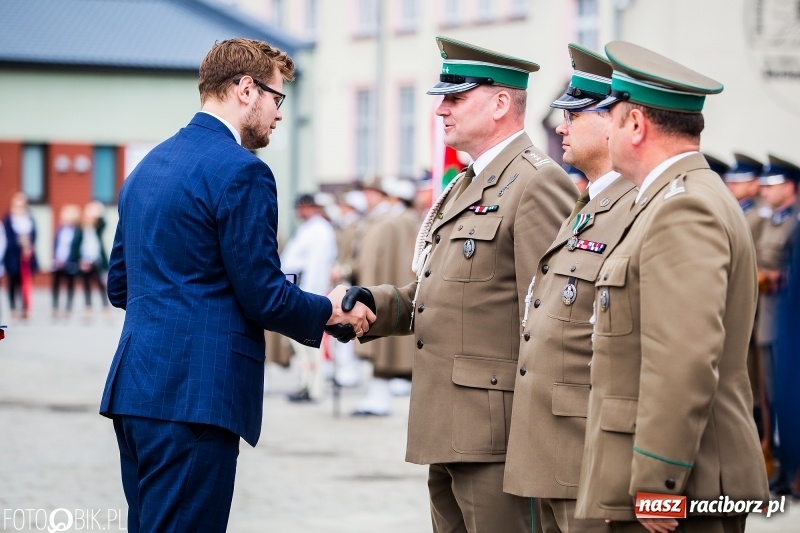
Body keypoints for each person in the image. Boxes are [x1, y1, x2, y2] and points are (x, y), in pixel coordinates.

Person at [99, 38, 373, 533]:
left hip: (135, 391)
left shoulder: (145, 169)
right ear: (246, 89)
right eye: (276, 98)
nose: (279, 114)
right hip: (196, 396)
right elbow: (263, 293)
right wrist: (330, 311)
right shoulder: (243, 171)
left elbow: (121, 285)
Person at [343, 36, 576, 532]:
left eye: (455, 97)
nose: (441, 111)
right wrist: (371, 304)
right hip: (447, 425)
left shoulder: (537, 183)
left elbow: (550, 318)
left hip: (499, 434)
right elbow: (437, 291)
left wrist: (544, 441)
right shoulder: (464, 185)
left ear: (499, 103)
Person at [574, 41, 769, 532]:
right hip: (679, 477)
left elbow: (683, 355)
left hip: (683, 487)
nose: (608, 130)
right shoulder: (670, 198)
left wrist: (659, 483)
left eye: (612, 118)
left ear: (636, 125)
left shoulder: (683, 207)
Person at [503, 43, 637, 533]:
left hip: (589, 449)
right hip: (553, 446)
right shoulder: (587, 206)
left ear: (613, 122)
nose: (560, 126)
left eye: (574, 114)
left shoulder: (635, 210)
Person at [352, 178, 419, 416]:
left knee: (387, 351)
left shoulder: (395, 222)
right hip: (383, 289)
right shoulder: (386, 221)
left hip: (392, 290)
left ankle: (381, 396)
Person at [753, 155, 799, 495]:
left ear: (791, 187)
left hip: (783, 319)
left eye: (772, 185)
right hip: (766, 320)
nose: (764, 191)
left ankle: (791, 467)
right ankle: (782, 464)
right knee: (772, 399)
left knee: (786, 396)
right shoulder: (773, 220)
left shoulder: (794, 222)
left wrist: (770, 277)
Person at [282, 192, 338, 403]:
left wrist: (308, 297)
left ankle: (314, 388)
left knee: (309, 343)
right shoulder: (309, 229)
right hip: (297, 287)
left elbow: (316, 267)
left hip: (307, 290)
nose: (299, 212)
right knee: (300, 346)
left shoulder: (320, 230)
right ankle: (305, 383)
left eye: (303, 207)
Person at [3, 191, 38, 320]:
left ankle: (25, 308)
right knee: (13, 281)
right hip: (13, 255)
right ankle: (13, 308)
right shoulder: (9, 218)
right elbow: (9, 236)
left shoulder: (29, 218)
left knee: (26, 282)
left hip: (27, 255)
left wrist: (29, 247)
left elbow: (34, 234)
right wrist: (20, 247)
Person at [79, 201, 110, 320]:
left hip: (97, 260)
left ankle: (106, 309)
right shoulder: (81, 231)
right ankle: (88, 309)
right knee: (87, 286)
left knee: (101, 285)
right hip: (85, 262)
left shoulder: (97, 231)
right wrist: (80, 260)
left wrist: (98, 212)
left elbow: (103, 224)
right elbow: (76, 247)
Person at [51, 204, 82, 320]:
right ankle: (55, 307)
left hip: (70, 263)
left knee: (70, 286)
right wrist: (55, 258)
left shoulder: (78, 231)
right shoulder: (60, 230)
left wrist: (71, 260)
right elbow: (56, 245)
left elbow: (76, 248)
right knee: (56, 285)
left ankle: (68, 309)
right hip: (58, 261)